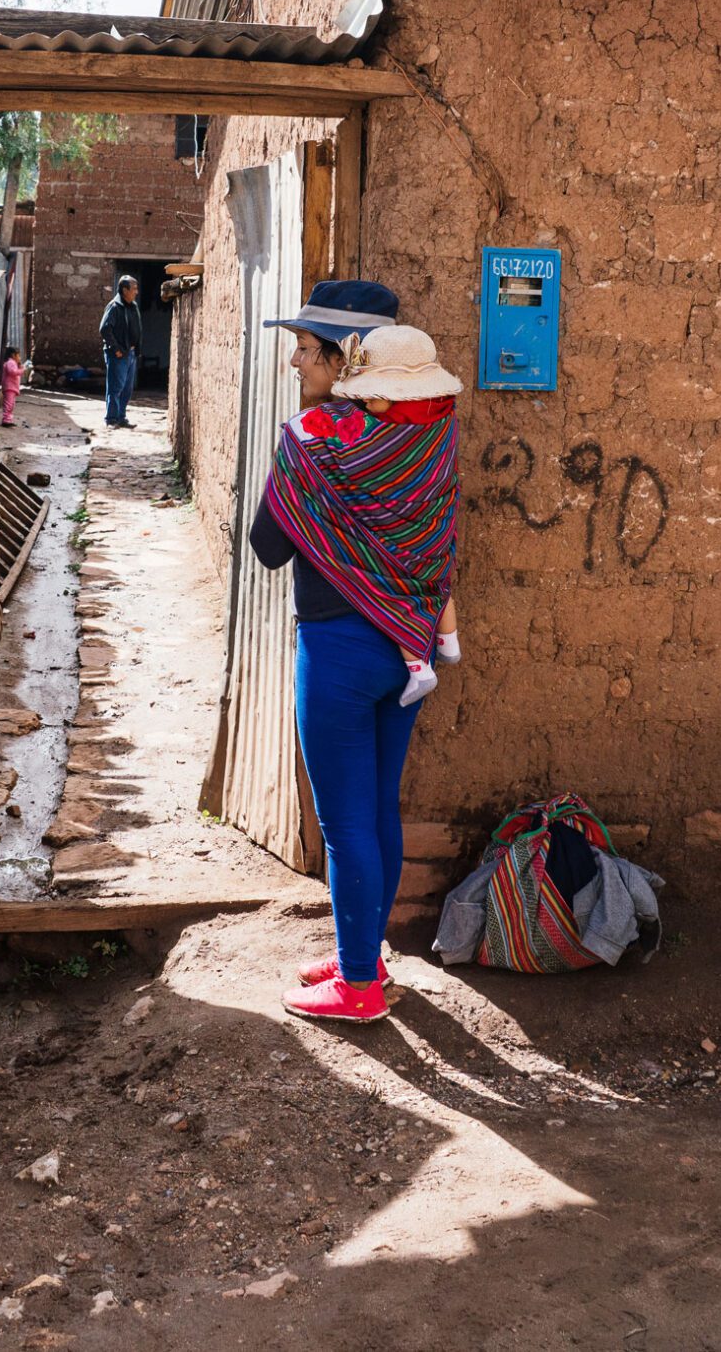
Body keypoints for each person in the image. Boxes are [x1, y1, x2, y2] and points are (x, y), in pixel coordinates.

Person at [249, 281, 463, 1024]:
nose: (297, 361)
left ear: (345, 360)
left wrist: (297, 463)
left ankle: (359, 988)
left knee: (344, 824)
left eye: (306, 349)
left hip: (338, 653)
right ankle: (363, 955)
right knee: (377, 811)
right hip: (408, 648)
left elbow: (266, 546)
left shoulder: (315, 444)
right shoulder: (433, 432)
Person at [98, 275, 142, 428]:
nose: (136, 292)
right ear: (125, 290)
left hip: (130, 354)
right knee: (116, 387)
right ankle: (111, 419)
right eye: (134, 289)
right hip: (118, 354)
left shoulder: (133, 306)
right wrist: (115, 349)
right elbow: (104, 329)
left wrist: (136, 349)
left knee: (127, 388)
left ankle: (121, 417)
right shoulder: (115, 306)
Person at [0, 346, 25, 427]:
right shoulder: (10, 362)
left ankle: (8, 419)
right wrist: (22, 370)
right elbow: (12, 372)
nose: (19, 357)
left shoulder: (12, 363)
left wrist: (20, 367)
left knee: (11, 404)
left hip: (12, 387)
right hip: (9, 387)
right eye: (18, 355)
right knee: (9, 404)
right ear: (13, 355)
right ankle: (6, 420)